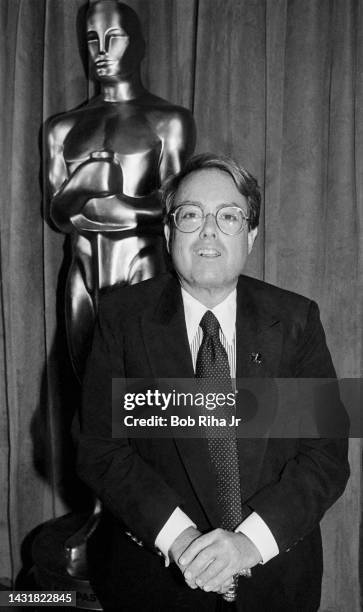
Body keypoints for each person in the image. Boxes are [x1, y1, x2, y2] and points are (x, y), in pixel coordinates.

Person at [77, 153, 349, 611]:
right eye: (190, 215)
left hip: (275, 582)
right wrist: (184, 542)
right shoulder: (121, 320)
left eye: (228, 216)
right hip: (153, 582)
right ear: (167, 233)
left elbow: (325, 457)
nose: (208, 230)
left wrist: (247, 545)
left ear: (252, 233)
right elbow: (101, 451)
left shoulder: (297, 320)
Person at [46, 0, 195, 376]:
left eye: (114, 38)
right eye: (93, 39)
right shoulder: (62, 127)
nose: (101, 51)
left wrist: (116, 205)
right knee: (88, 389)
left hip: (141, 262)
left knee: (142, 385)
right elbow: (57, 214)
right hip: (83, 266)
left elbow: (175, 205)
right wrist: (86, 180)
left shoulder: (168, 120)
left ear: (138, 44)